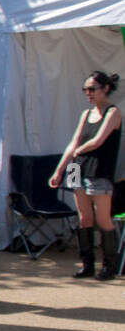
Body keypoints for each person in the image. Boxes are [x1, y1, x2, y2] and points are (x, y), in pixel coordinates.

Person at [49, 71, 120, 280]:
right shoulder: (85, 114)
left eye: (92, 89)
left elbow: (98, 140)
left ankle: (109, 265)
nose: (88, 93)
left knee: (103, 218)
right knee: (84, 217)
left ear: (105, 89)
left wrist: (80, 149)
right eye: (85, 89)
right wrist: (59, 169)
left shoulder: (113, 112)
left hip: (99, 169)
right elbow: (74, 142)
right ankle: (87, 263)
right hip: (77, 168)